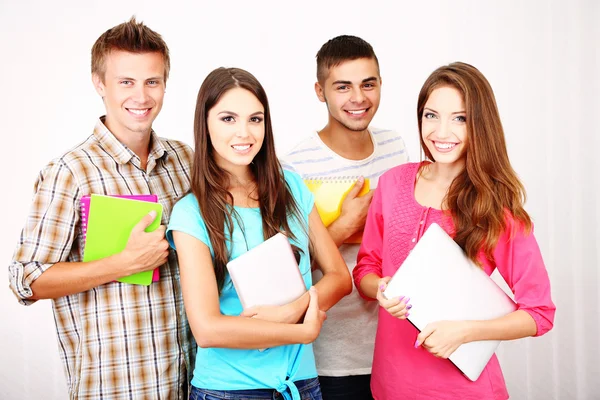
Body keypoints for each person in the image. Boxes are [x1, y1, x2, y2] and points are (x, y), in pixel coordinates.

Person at [8, 17, 195, 399]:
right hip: (116, 388)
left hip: (192, 382)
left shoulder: (185, 160)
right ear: (99, 83)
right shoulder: (70, 172)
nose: (141, 97)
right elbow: (24, 280)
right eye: (126, 81)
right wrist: (121, 264)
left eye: (152, 82)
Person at [353, 62, 556, 399]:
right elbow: (366, 268)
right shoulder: (392, 183)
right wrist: (379, 288)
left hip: (464, 390)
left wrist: (464, 333)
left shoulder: (496, 207)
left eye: (459, 118)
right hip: (389, 384)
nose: (441, 132)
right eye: (431, 115)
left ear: (479, 125)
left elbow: (540, 313)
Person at [167, 67, 352, 400]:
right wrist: (299, 331)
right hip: (229, 391)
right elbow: (207, 329)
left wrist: (290, 313)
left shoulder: (292, 188)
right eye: (228, 119)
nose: (245, 133)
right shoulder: (190, 213)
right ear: (204, 123)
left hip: (302, 386)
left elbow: (339, 277)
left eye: (255, 119)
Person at [281, 35, 409, 399]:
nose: (358, 98)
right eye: (343, 87)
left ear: (381, 84)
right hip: (330, 357)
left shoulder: (396, 146)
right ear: (320, 91)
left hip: (397, 344)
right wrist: (342, 228)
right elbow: (287, 267)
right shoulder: (294, 164)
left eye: (368, 84)